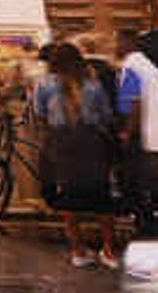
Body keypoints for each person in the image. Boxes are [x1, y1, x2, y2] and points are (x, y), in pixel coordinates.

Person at [36, 42, 118, 268]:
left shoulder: (44, 84)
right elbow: (106, 116)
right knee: (101, 197)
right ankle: (109, 252)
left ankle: (78, 251)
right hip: (92, 142)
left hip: (61, 143)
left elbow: (40, 114)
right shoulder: (93, 85)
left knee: (69, 198)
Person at [114, 28, 158, 236]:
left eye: (118, 41)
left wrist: (126, 132)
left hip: (141, 136)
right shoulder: (153, 68)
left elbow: (134, 103)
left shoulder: (131, 66)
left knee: (135, 186)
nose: (115, 46)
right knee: (157, 186)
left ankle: (146, 229)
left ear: (128, 43)